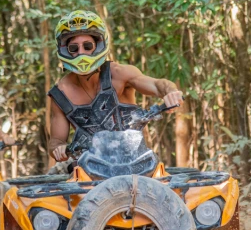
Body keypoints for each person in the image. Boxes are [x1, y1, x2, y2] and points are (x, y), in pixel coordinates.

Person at [48, 10, 183, 162]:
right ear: (66, 50)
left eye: (87, 46)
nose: (81, 53)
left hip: (136, 161)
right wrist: (58, 149)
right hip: (88, 168)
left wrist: (171, 92)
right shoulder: (61, 93)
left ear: (98, 45)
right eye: (74, 48)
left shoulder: (119, 74)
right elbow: (56, 141)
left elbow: (158, 85)